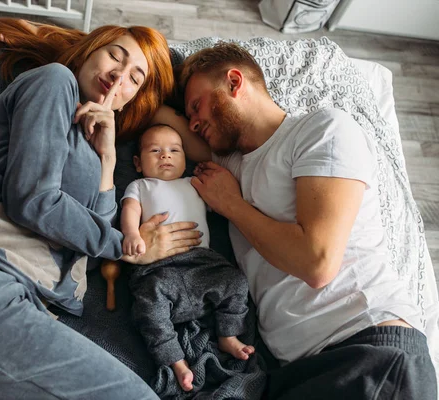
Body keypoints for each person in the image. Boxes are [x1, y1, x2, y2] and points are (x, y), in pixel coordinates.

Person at [0, 18, 202, 400]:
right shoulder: (55, 81)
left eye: (135, 79)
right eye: (114, 56)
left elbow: (88, 238)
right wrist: (126, 245)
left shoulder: (95, 143)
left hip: (14, 312)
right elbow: (32, 200)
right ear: (91, 50)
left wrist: (107, 158)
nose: (120, 76)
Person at [154, 41, 438, 399]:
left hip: (368, 350)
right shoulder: (234, 165)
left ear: (234, 82)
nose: (194, 121)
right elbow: (166, 123)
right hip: (298, 368)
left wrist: (233, 206)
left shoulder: (323, 130)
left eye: (197, 106)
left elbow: (316, 262)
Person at [120, 124, 254, 392]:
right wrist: (132, 234)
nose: (165, 156)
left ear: (185, 159)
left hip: (204, 264)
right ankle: (176, 360)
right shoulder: (141, 186)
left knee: (236, 280)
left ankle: (228, 334)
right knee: (149, 304)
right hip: (160, 269)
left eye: (174, 150)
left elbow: (221, 201)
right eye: (155, 151)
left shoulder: (193, 185)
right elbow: (130, 210)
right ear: (137, 162)